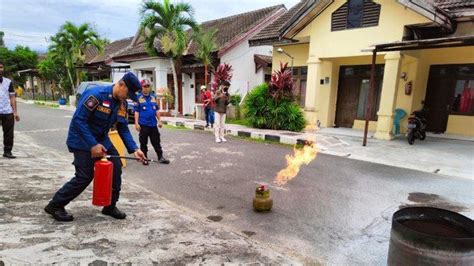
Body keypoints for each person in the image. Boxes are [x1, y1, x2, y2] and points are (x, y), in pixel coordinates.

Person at [44, 72, 146, 222]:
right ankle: (55, 205)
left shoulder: (121, 103)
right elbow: (79, 120)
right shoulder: (96, 95)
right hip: (81, 140)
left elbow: (122, 127)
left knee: (115, 169)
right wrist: (92, 144)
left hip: (102, 140)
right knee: (85, 176)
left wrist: (135, 149)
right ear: (121, 84)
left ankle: (110, 206)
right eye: (128, 93)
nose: (128, 97)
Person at [134, 79, 170, 165]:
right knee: (143, 143)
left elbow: (156, 110)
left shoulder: (153, 97)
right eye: (144, 86)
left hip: (153, 125)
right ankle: (144, 158)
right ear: (141, 87)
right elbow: (136, 111)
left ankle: (160, 157)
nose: (146, 88)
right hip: (143, 125)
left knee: (156, 142)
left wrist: (159, 120)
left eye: (148, 86)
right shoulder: (138, 98)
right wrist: (136, 123)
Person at [0, 61, 20, 159]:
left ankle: (7, 151)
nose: (0, 69)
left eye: (1, 67)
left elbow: (12, 97)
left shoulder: (8, 82)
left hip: (7, 112)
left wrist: (15, 112)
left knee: (9, 134)